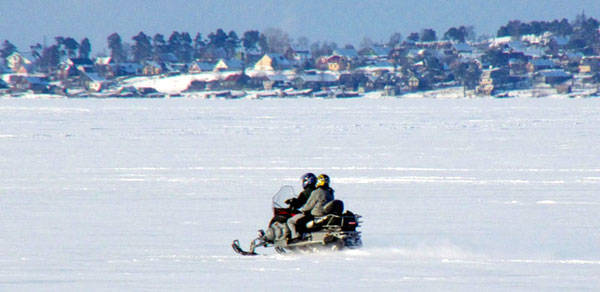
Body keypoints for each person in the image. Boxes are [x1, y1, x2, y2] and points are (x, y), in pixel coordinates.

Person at [287, 173, 335, 241]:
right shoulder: (330, 192)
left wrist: (303, 210)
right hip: (326, 214)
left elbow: (308, 206)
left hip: (316, 214)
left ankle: (296, 238)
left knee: (291, 221)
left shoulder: (316, 192)